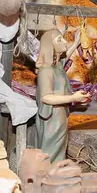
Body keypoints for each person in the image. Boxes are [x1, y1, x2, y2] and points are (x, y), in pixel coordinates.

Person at [35, 29, 90, 162]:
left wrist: (76, 42)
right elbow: (45, 97)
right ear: (50, 46)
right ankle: (47, 173)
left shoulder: (57, 66)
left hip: (60, 115)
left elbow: (65, 58)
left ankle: (58, 172)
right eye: (59, 40)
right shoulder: (46, 71)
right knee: (50, 153)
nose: (64, 41)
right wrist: (73, 98)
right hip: (51, 118)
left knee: (59, 152)